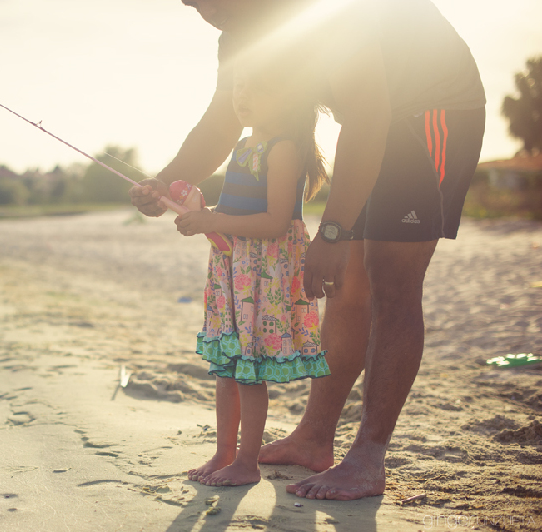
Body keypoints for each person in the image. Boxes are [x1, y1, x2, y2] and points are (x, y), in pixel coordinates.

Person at [130, 0, 485, 500]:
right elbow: (223, 118)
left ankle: (367, 458)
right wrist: (166, 182)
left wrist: (333, 233)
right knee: (347, 287)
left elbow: (366, 115)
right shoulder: (238, 33)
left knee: (390, 277)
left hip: (429, 108)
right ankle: (315, 439)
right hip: (374, 118)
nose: (198, 8)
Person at [176, 53, 330, 487]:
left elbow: (275, 222)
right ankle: (225, 454)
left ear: (287, 97)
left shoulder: (282, 148)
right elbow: (229, 220)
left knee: (250, 368)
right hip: (232, 269)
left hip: (264, 274)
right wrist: (199, 215)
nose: (242, 96)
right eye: (238, 87)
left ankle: (246, 463)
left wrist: (214, 221)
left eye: (255, 88)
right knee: (227, 366)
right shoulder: (243, 146)